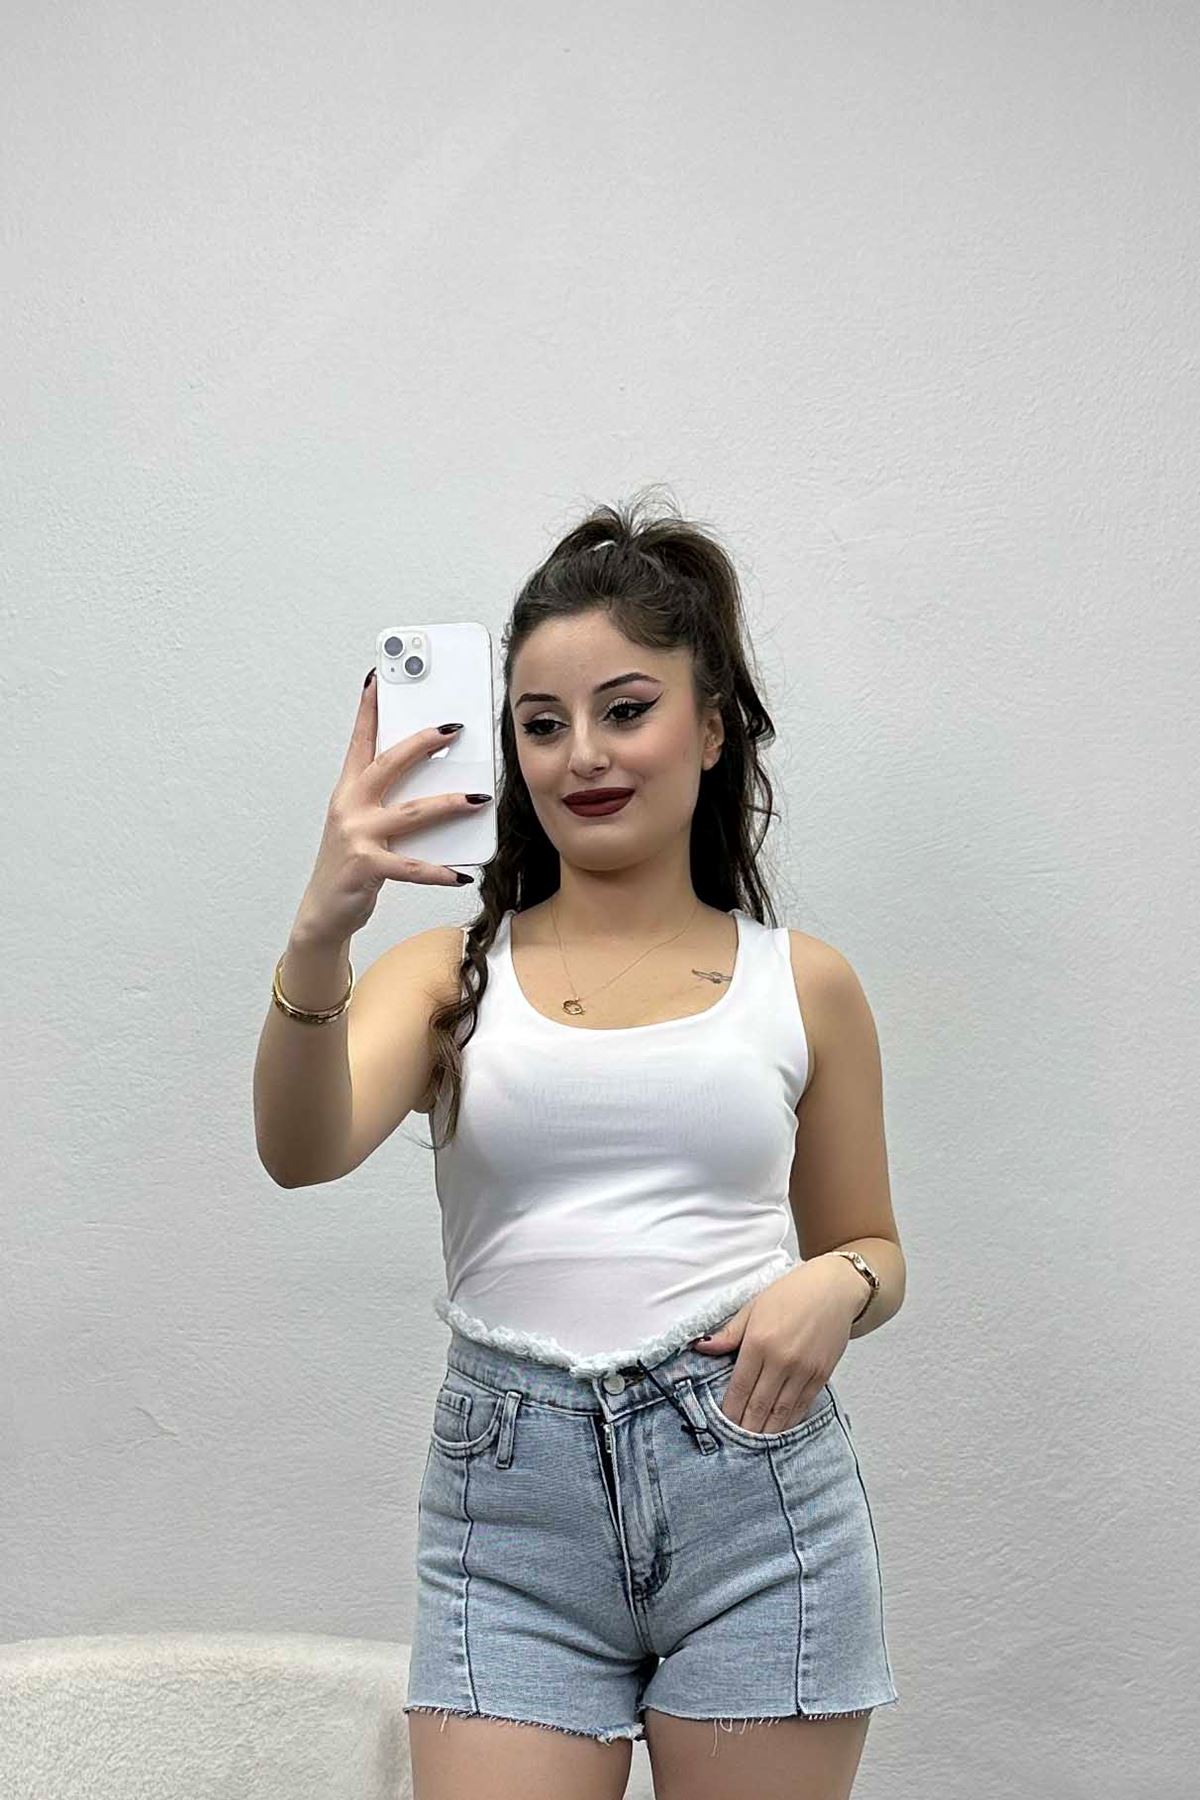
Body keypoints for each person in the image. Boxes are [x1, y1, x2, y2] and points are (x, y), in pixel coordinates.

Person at [253, 492, 906, 1800]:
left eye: (626, 709)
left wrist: (832, 1288)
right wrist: (324, 928)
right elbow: (301, 1149)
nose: (583, 756)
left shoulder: (804, 983)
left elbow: (873, 1249)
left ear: (710, 729)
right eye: (541, 724)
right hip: (512, 1528)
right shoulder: (448, 974)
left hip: (757, 1502)